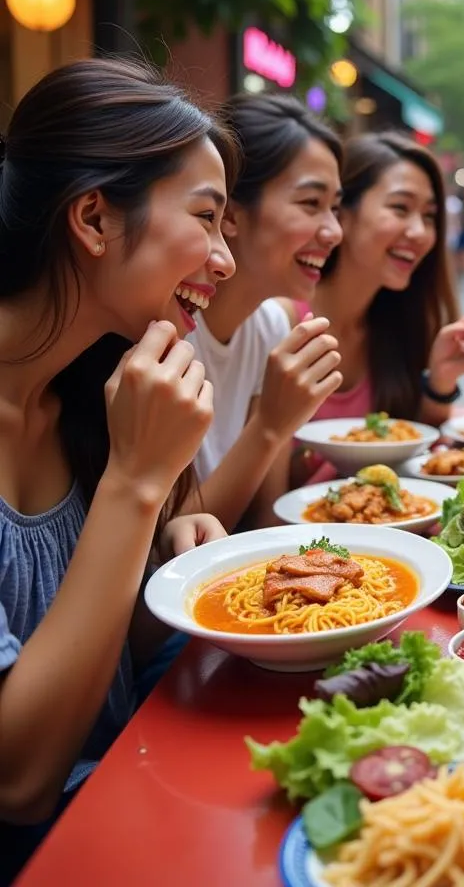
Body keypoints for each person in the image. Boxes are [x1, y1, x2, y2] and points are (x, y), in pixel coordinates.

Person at [0, 58, 234, 879]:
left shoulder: (99, 395)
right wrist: (134, 487)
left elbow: (109, 674)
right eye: (206, 219)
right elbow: (21, 780)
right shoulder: (125, 431)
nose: (224, 259)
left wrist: (170, 553)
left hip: (143, 806)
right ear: (94, 218)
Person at [289, 133, 464, 483]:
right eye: (400, 208)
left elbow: (418, 455)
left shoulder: (396, 322)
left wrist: (440, 381)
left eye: (430, 216)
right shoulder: (281, 322)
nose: (420, 232)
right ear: (342, 212)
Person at [187, 95, 344, 531]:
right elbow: (171, 547)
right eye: (311, 203)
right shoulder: (170, 333)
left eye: (335, 206)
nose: (333, 231)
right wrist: (270, 426)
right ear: (231, 213)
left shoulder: (272, 325)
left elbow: (264, 522)